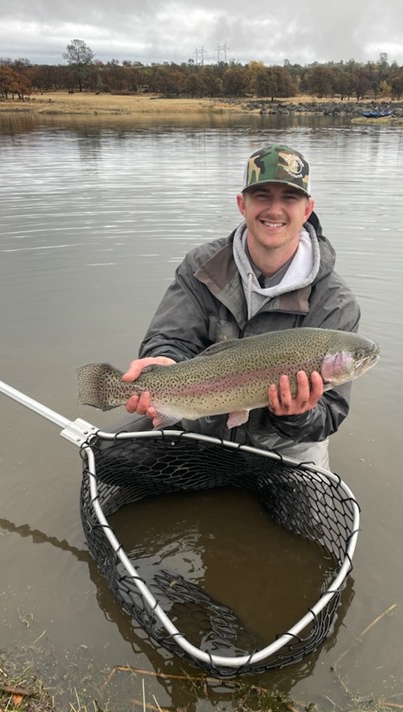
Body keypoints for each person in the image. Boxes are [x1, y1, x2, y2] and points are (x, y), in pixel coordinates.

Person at [121, 144, 360, 470]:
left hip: (287, 446)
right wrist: (166, 365)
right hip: (201, 423)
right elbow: (170, 338)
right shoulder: (202, 266)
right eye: (262, 195)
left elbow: (327, 416)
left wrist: (298, 414)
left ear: (308, 209)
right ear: (241, 204)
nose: (275, 209)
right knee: (114, 460)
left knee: (308, 521)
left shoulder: (336, 304)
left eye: (289, 198)